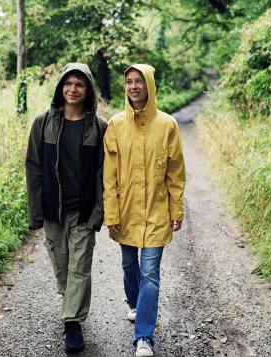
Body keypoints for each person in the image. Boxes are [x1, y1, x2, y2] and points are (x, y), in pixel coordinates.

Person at [103, 64, 185, 357]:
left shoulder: (167, 125)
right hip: (125, 213)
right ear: (124, 87)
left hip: (156, 212)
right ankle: (134, 304)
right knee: (129, 266)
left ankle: (144, 338)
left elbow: (175, 173)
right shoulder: (115, 125)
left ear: (149, 85)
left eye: (139, 81)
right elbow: (109, 176)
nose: (134, 86)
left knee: (149, 273)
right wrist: (111, 214)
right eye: (129, 82)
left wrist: (176, 209)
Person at [25, 63, 107, 353]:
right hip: (53, 209)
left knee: (80, 266)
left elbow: (103, 173)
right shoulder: (43, 122)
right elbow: (33, 167)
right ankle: (69, 295)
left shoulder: (98, 127)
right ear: (61, 87)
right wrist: (35, 211)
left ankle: (72, 322)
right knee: (61, 264)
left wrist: (99, 212)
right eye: (68, 83)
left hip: (83, 210)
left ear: (88, 91)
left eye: (80, 85)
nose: (73, 89)